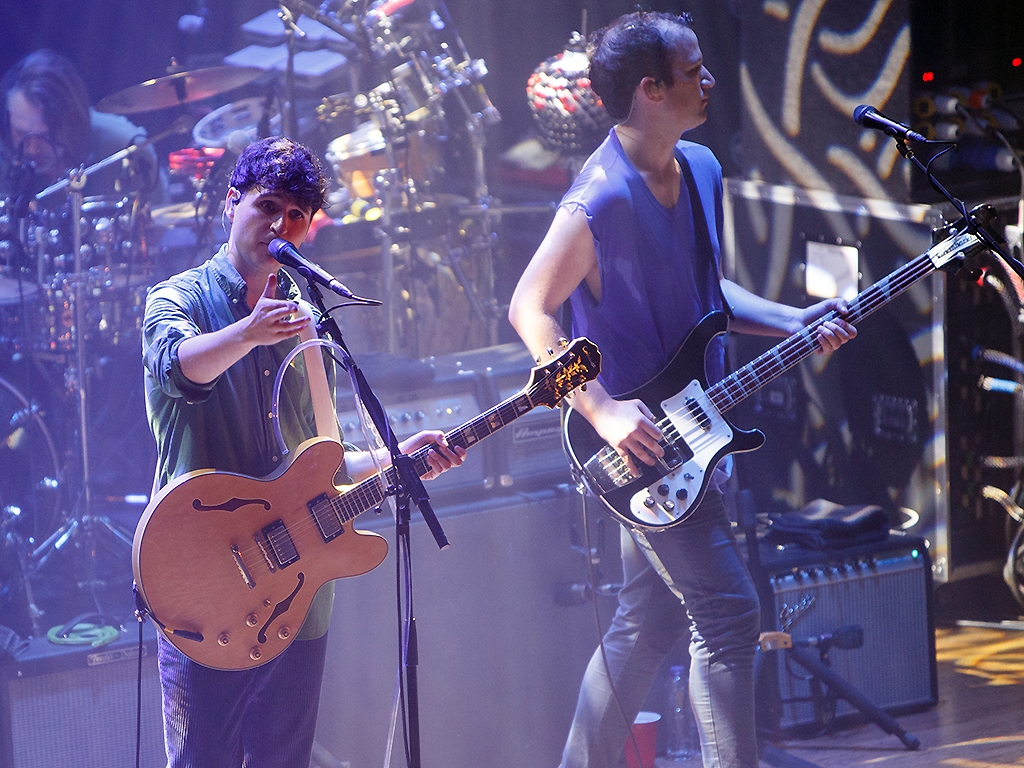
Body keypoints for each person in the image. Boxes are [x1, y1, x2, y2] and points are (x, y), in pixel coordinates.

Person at [508, 12, 856, 768]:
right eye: (693, 69)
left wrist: (794, 319)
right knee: (729, 616)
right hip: (642, 451)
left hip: (698, 430)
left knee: (649, 621)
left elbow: (709, 293)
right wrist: (597, 408)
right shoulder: (597, 200)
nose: (709, 79)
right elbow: (528, 306)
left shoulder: (701, 168)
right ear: (650, 90)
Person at [141, 135, 465, 766]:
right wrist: (247, 332)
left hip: (295, 595)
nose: (279, 226)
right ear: (231, 203)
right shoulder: (177, 298)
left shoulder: (309, 324)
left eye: (297, 216)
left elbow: (323, 464)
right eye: (268, 207)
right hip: (205, 582)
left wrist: (397, 462)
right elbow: (180, 369)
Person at [0, 49, 158, 199]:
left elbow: (162, 221)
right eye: (21, 133)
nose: (33, 149)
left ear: (73, 123)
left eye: (45, 136)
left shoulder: (125, 148)